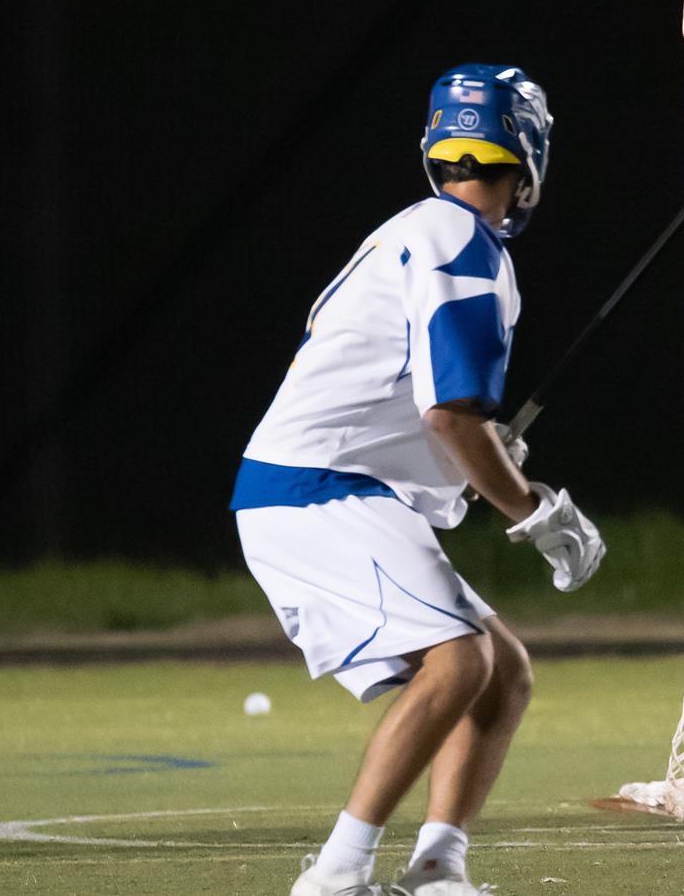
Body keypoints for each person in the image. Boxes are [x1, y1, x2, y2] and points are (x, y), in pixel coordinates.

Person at [231, 64, 604, 896]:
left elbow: (409, 402)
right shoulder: (464, 246)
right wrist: (536, 510)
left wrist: (478, 457)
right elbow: (450, 418)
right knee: (459, 662)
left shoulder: (418, 228)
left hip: (331, 485)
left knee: (503, 670)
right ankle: (336, 872)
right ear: (530, 152)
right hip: (311, 491)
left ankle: (438, 867)